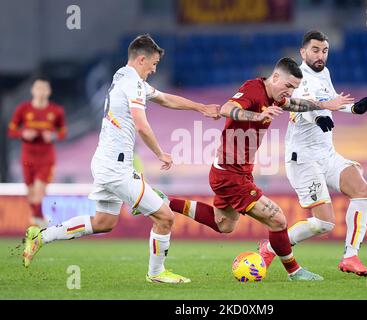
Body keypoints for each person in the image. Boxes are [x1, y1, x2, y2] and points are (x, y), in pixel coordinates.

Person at [22, 34, 220, 284]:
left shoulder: (122, 77)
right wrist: (160, 153)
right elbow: (142, 125)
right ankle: (157, 273)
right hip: (116, 167)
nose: (154, 69)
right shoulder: (133, 83)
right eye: (153, 64)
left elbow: (165, 98)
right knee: (165, 216)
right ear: (141, 59)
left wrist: (200, 108)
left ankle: (41, 236)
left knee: (103, 222)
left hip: (106, 162)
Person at [150, 57, 353, 281]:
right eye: (287, 86)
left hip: (235, 171)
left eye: (293, 88)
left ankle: (162, 202)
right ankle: (294, 272)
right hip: (230, 174)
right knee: (278, 220)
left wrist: (324, 105)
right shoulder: (253, 89)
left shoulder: (275, 97)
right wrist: (258, 115)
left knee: (224, 224)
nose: (289, 92)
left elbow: (293, 105)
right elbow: (228, 109)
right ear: (275, 77)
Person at [258, 30, 367, 276]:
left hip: (327, 154)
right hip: (303, 158)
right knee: (324, 223)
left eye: (325, 51)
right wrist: (318, 116)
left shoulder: (325, 74)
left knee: (362, 191)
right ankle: (270, 248)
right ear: (302, 52)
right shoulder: (297, 78)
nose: (321, 55)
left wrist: (354, 108)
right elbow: (301, 104)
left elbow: (330, 100)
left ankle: (351, 257)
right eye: (315, 50)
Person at [8, 77, 67, 228]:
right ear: (32, 91)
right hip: (28, 156)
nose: (40, 92)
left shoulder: (56, 111)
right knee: (31, 192)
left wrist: (53, 136)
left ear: (49, 92)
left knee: (39, 190)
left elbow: (62, 132)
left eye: (44, 89)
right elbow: (11, 130)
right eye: (38, 89)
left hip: (46, 157)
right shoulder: (23, 109)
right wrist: (23, 133)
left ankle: (37, 221)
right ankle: (38, 218)